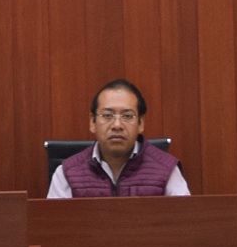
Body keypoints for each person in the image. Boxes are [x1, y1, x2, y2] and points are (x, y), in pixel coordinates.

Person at [48, 80, 191, 197]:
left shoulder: (167, 170)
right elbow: (54, 228)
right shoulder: (67, 173)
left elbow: (185, 226)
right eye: (107, 116)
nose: (117, 125)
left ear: (140, 123)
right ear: (92, 123)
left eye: (127, 116)